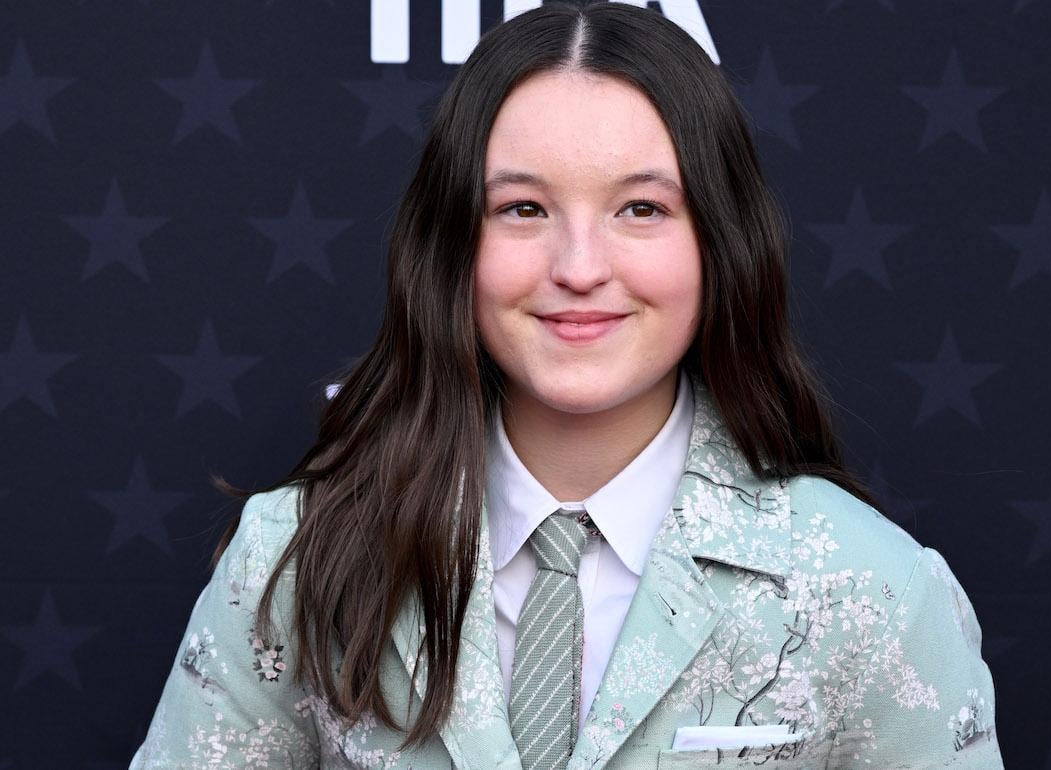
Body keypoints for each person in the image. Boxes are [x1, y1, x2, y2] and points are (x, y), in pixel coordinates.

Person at [129, 2, 1004, 768]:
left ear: (720, 244)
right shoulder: (299, 557)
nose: (579, 268)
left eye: (642, 210)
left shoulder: (871, 590)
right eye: (522, 209)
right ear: (450, 245)